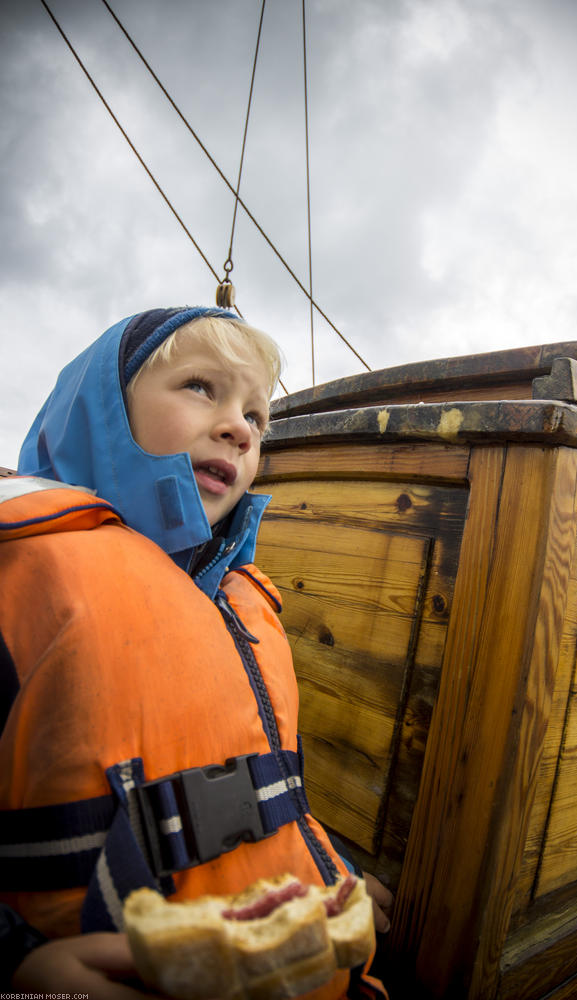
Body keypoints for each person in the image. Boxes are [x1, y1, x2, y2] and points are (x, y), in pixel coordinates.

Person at [0, 306, 391, 996]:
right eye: (200, 388)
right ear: (101, 413)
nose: (238, 427)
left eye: (257, 416)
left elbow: (263, 795)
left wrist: (329, 871)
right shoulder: (18, 573)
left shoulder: (245, 606)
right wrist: (17, 965)